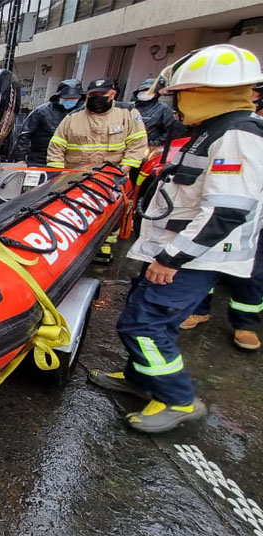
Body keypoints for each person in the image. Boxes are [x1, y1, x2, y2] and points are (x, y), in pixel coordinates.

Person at [88, 44, 263, 433]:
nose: (175, 106)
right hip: (176, 251)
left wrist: (171, 259)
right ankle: (141, 379)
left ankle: (177, 398)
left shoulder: (236, 136)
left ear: (203, 91)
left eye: (179, 95)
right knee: (146, 316)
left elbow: (227, 210)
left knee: (143, 326)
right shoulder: (212, 131)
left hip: (190, 259)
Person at [46, 77, 148, 173]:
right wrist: (57, 174)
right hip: (75, 175)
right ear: (87, 96)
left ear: (112, 94)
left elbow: (137, 143)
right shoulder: (72, 117)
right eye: (93, 95)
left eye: (102, 94)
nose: (97, 98)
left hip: (111, 175)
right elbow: (56, 147)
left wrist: (126, 167)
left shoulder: (127, 113)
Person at [12, 79, 83, 167]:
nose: (69, 101)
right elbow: (25, 134)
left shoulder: (83, 113)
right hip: (40, 158)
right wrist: (20, 158)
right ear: (59, 96)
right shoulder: (42, 111)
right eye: (66, 98)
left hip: (71, 160)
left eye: (73, 98)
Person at [132, 78, 179, 149]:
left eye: (149, 91)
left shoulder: (163, 109)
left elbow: (172, 130)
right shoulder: (130, 106)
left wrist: (155, 143)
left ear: (156, 94)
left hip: (147, 148)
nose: (145, 93)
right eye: (143, 91)